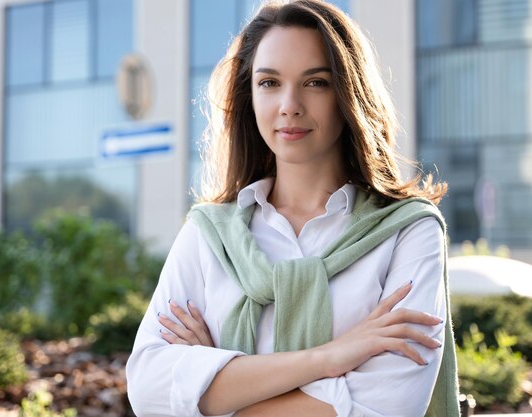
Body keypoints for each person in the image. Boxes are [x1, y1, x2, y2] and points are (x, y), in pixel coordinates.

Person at [126, 1, 460, 416]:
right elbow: (146, 389)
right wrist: (332, 357)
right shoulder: (209, 233)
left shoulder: (408, 230)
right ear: (248, 95)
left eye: (316, 82)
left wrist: (215, 392)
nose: (289, 105)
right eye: (269, 83)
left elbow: (388, 406)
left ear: (347, 93)